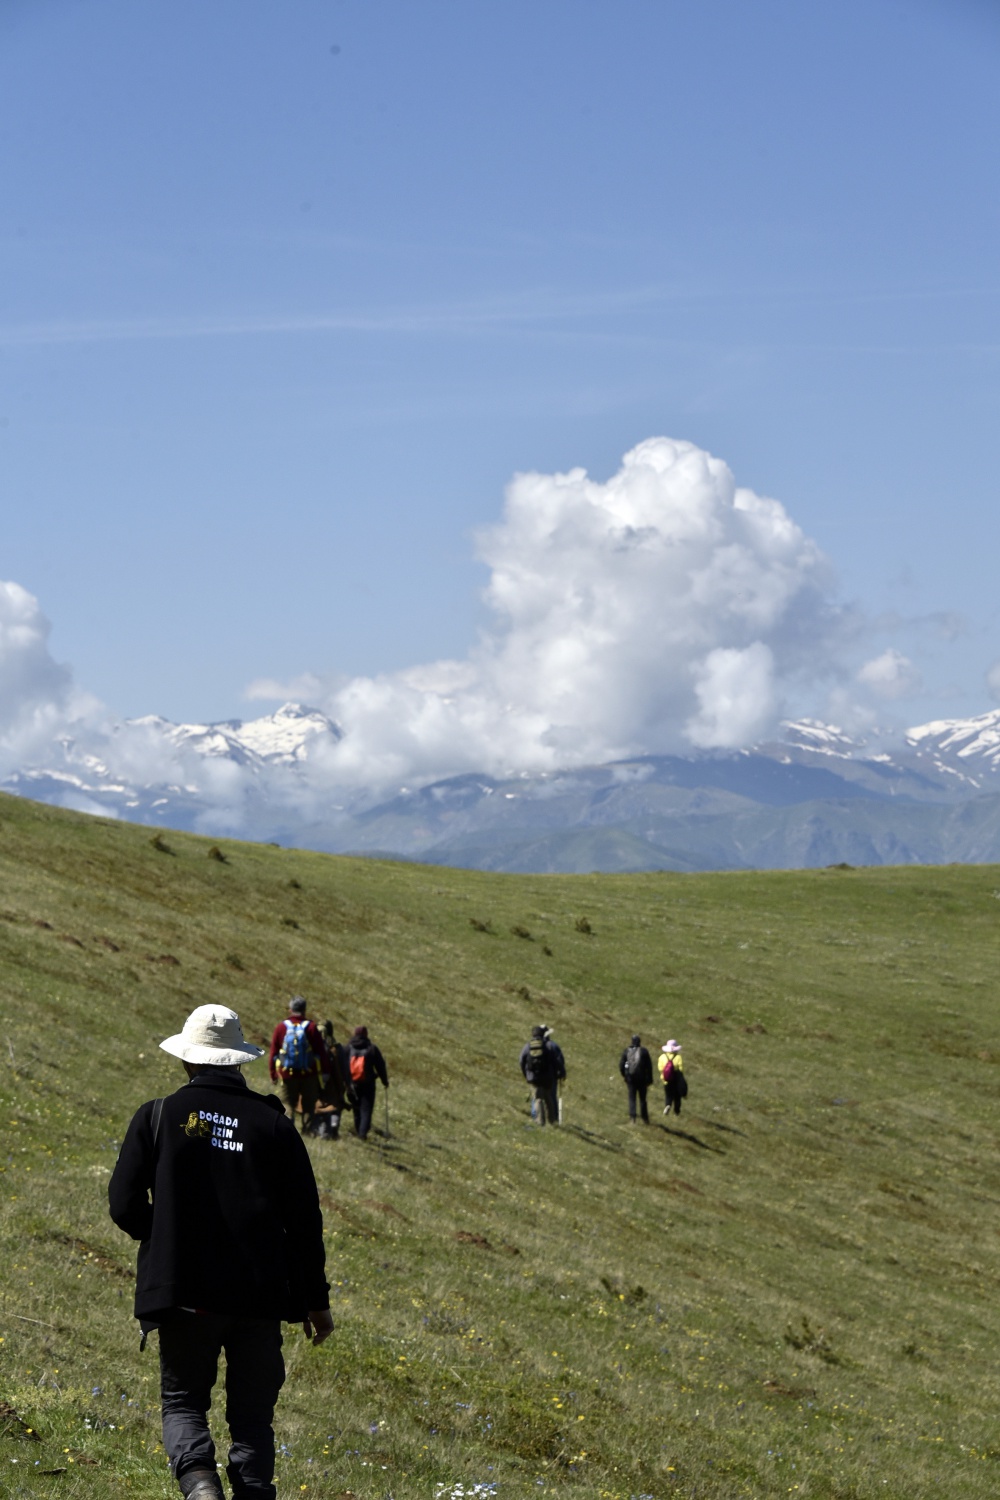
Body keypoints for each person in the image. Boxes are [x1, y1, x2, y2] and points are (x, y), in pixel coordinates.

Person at [108, 1004, 332, 1500]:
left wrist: (164, 1239)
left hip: (184, 1291)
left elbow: (123, 1203)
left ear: (187, 1060)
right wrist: (316, 1302)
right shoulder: (274, 1125)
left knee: (185, 1401)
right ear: (237, 1062)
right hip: (259, 1297)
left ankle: (201, 1486)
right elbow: (304, 1225)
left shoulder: (158, 1116)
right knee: (252, 1416)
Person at [267, 995, 330, 1135]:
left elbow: (273, 1052)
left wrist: (273, 1073)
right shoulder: (312, 1028)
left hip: (286, 1074)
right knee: (308, 1107)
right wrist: (325, 1073)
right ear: (304, 1010)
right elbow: (321, 1052)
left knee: (288, 1104)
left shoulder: (281, 1027)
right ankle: (306, 1132)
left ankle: (287, 1132)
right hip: (309, 1075)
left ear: (290, 1009)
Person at [345, 1025, 388, 1140]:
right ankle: (362, 1133)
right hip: (368, 1084)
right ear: (366, 1035)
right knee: (366, 1110)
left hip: (351, 1084)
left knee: (356, 1108)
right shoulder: (372, 1048)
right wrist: (385, 1081)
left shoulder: (348, 1048)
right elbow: (380, 1066)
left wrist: (345, 1081)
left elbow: (342, 1064)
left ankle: (358, 1129)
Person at [308, 1019, 347, 1140]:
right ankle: (326, 1132)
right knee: (329, 1107)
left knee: (316, 1105)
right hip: (331, 1083)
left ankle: (313, 1130)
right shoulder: (336, 1048)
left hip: (312, 1081)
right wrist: (343, 1086)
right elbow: (341, 1068)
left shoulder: (310, 1045)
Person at [520, 1023, 561, 1126]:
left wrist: (526, 1074)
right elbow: (555, 1061)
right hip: (547, 1077)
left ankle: (540, 1121)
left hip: (534, 1078)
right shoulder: (548, 1045)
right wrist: (556, 1074)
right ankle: (553, 1121)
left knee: (538, 1099)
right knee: (548, 1098)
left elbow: (521, 1060)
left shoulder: (528, 1046)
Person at [619, 1033, 654, 1123]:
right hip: (642, 1079)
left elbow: (621, 1065)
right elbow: (649, 1067)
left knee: (632, 1097)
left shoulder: (626, 1051)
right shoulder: (644, 1051)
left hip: (630, 1078)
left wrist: (625, 1075)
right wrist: (649, 1079)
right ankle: (644, 1118)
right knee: (643, 1099)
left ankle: (632, 1117)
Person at [658, 1039, 686, 1115]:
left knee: (668, 1094)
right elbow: (681, 1069)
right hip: (676, 1080)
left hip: (666, 1079)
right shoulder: (678, 1057)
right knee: (677, 1096)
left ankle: (668, 1105)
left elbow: (660, 1068)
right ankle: (677, 1111)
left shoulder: (662, 1057)